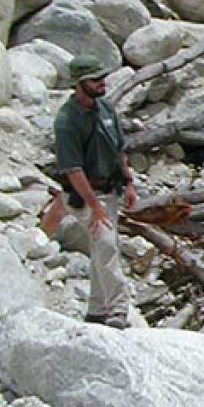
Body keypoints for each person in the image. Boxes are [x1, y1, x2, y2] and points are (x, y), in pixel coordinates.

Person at [53, 54, 136, 328]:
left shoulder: (105, 108)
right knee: (107, 245)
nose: (103, 83)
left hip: (109, 189)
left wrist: (129, 182)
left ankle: (96, 309)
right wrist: (95, 207)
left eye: (103, 77)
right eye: (95, 79)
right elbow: (73, 170)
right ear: (79, 83)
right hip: (86, 194)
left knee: (102, 249)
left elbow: (119, 148)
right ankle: (119, 309)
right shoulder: (67, 121)